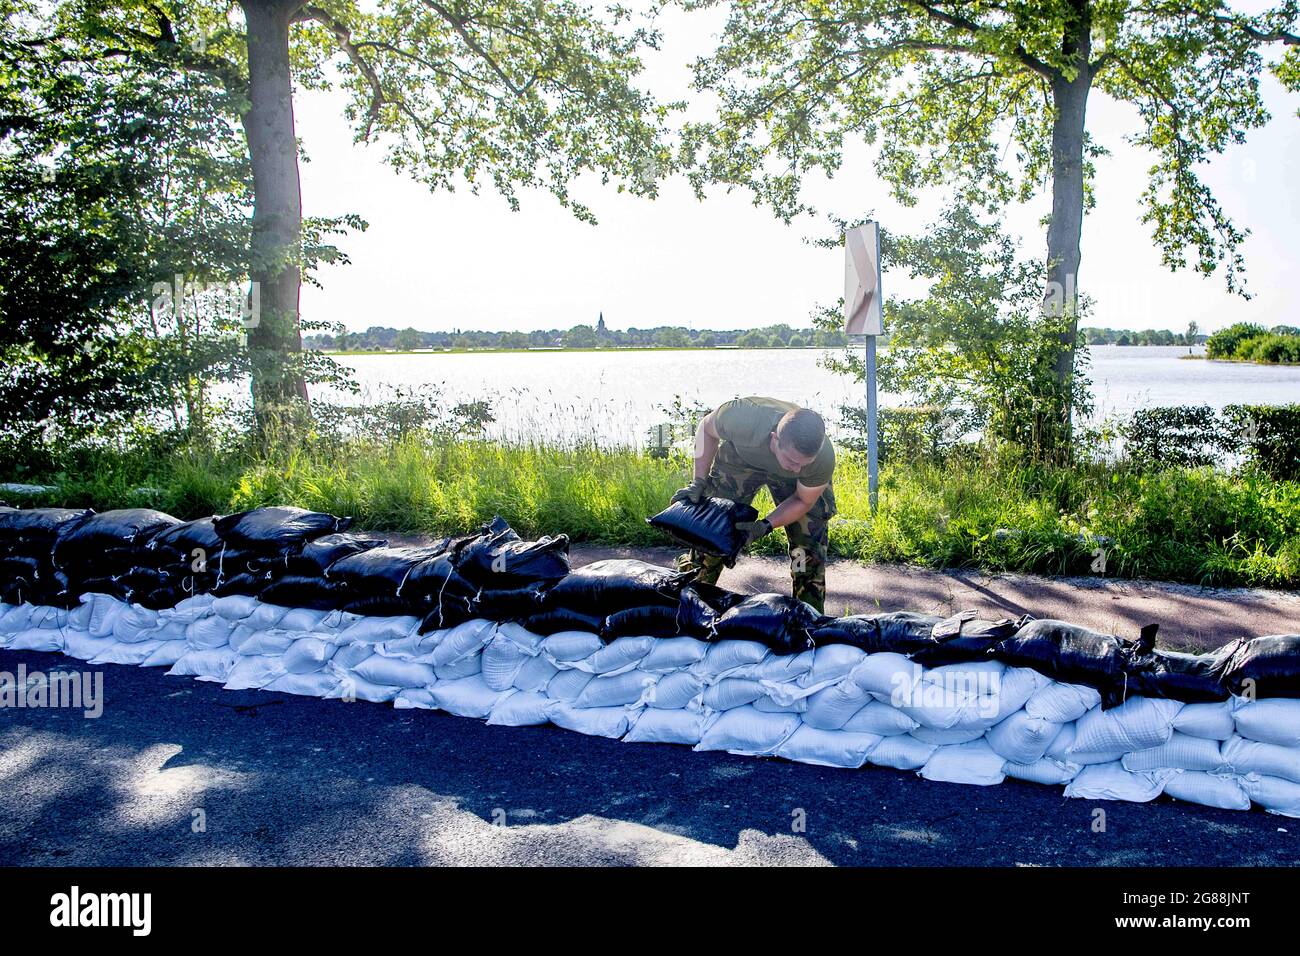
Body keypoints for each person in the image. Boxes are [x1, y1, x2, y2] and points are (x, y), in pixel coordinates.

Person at [672, 396, 836, 613]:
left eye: (803, 464)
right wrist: (699, 482)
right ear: (774, 439)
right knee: (712, 530)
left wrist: (765, 525)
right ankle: (687, 602)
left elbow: (803, 500)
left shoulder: (821, 458)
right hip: (741, 460)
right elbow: (706, 429)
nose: (797, 469)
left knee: (805, 553)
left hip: (799, 489)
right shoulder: (743, 417)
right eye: (793, 462)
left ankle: (808, 618)